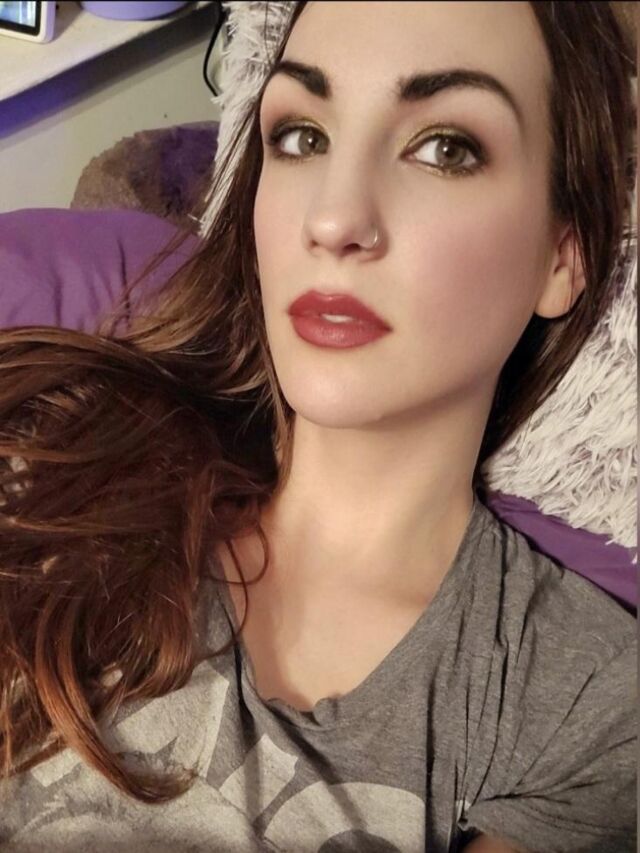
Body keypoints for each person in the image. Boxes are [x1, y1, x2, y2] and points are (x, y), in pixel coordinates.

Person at [0, 2, 636, 851]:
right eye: (302, 136)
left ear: (563, 256)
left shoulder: (584, 701)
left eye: (446, 148)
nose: (333, 219)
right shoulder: (54, 443)